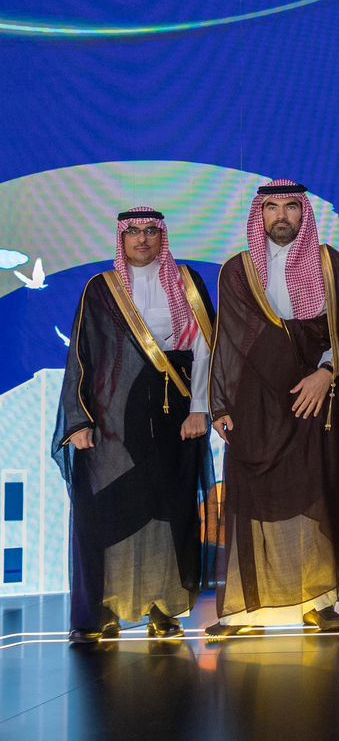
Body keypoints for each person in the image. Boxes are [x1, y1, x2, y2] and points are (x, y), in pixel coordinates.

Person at [206, 181, 339, 638]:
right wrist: (221, 404)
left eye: (291, 207)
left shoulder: (329, 264)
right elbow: (231, 341)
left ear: (304, 214)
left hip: (316, 398)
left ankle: (319, 603)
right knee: (255, 501)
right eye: (272, 207)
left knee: (316, 494)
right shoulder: (238, 270)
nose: (281, 215)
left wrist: (326, 372)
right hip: (257, 403)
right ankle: (245, 610)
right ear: (260, 214)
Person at [55, 208, 215, 644]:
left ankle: (164, 609)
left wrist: (200, 408)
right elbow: (81, 355)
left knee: (169, 510)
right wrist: (79, 420)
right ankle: (102, 610)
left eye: (150, 231)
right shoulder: (102, 288)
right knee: (108, 509)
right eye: (134, 232)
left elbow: (206, 350)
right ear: (121, 239)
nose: (142, 239)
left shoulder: (187, 282)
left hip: (176, 415)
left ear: (162, 237)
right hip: (111, 420)